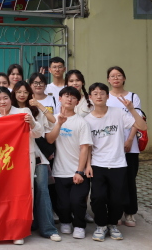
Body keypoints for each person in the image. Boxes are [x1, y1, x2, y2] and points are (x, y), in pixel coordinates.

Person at [84, 83, 147, 242]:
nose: (99, 96)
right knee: (98, 197)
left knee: (117, 198)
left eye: (102, 93)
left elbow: (142, 126)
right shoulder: (87, 120)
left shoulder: (118, 113)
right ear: (90, 97)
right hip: (98, 164)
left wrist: (131, 109)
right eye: (95, 93)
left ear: (107, 96)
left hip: (118, 164)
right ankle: (101, 225)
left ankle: (112, 224)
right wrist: (88, 165)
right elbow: (88, 146)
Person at [0, 86, 43, 246]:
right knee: (2, 195)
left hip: (22, 160)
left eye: (5, 98)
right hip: (1, 164)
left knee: (21, 194)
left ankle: (19, 231)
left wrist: (32, 123)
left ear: (10, 98)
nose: (2, 102)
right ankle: (0, 228)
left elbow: (38, 134)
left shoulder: (23, 112)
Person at [11, 81, 61, 242]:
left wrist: (35, 115)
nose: (22, 95)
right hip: (15, 159)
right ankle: (24, 226)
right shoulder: (8, 110)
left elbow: (44, 129)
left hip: (37, 156)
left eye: (25, 92)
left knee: (42, 190)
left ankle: (48, 229)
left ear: (30, 94)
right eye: (19, 91)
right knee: (19, 193)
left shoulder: (34, 111)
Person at [46, 86, 92, 240]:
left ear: (77, 102)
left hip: (77, 171)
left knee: (77, 201)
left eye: (73, 97)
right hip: (59, 170)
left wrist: (80, 171)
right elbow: (49, 140)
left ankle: (79, 226)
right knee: (63, 203)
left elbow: (84, 147)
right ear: (60, 98)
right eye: (66, 96)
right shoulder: (54, 119)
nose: (69, 99)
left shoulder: (82, 122)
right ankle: (65, 221)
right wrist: (59, 124)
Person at [106, 66, 141, 227]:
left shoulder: (133, 97)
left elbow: (137, 119)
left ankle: (130, 212)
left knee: (129, 179)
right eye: (112, 76)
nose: (116, 78)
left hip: (130, 146)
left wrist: (130, 139)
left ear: (124, 78)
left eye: (119, 75)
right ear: (108, 79)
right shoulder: (106, 97)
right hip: (111, 146)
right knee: (113, 181)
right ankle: (116, 212)